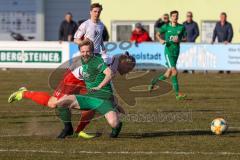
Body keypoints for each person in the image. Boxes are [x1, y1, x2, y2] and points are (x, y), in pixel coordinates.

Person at [8, 40, 136, 139]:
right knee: (53, 103)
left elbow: (107, 88)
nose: (129, 71)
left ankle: (78, 131)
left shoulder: (114, 65)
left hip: (88, 84)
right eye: (130, 68)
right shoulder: (107, 60)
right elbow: (92, 60)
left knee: (93, 107)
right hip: (74, 79)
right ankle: (24, 93)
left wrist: (114, 103)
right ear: (124, 62)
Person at [149, 10, 187, 100]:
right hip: (168, 51)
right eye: (173, 16)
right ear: (171, 17)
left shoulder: (181, 27)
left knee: (168, 73)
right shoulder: (166, 26)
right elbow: (157, 34)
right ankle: (178, 94)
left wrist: (179, 40)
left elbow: (185, 37)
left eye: (177, 16)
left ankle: (153, 82)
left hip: (176, 51)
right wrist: (161, 40)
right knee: (174, 71)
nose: (175, 17)